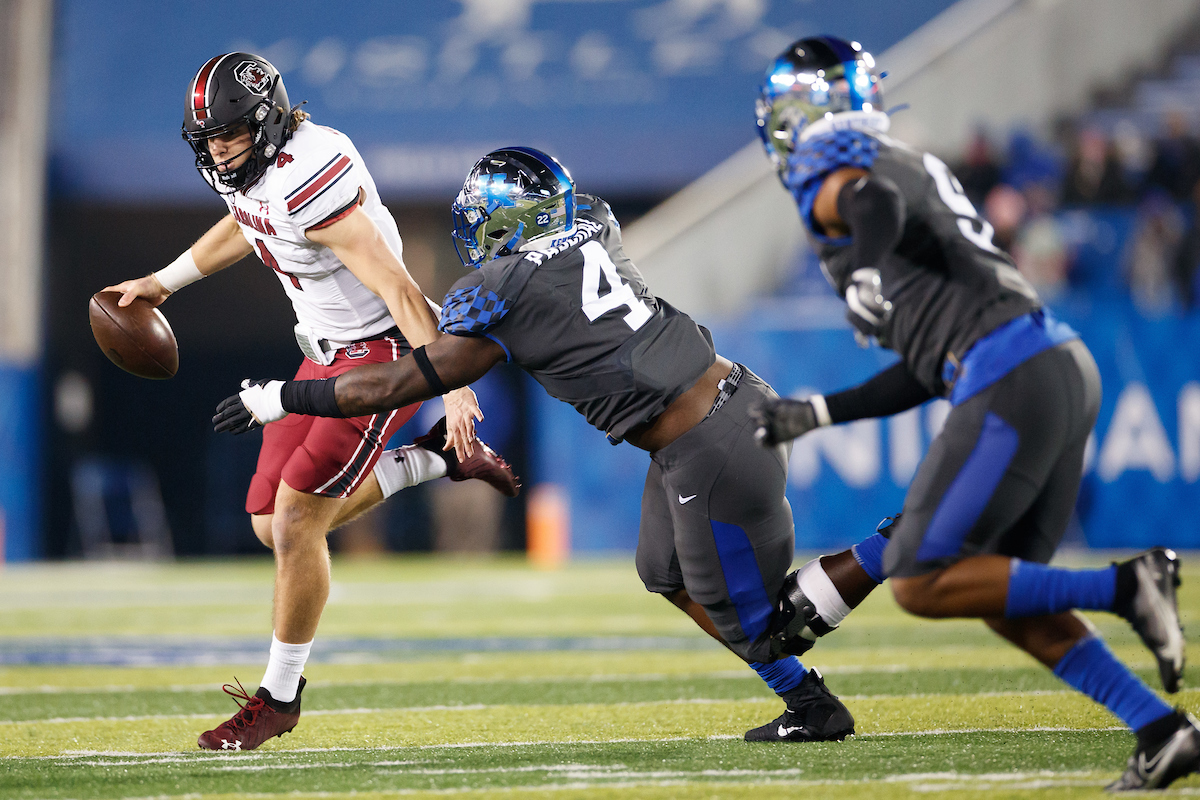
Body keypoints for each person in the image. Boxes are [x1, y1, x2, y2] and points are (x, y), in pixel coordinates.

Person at [213, 145, 880, 745]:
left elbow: (388, 384)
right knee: (665, 574)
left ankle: (904, 544)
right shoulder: (595, 220)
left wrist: (280, 398)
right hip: (718, 415)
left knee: (763, 624)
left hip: (711, 444)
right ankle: (809, 703)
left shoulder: (502, 291)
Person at [747, 36, 1194, 790]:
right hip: (1048, 364)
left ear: (804, 113)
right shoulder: (905, 164)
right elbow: (927, 364)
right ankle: (1163, 730)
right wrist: (819, 411)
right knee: (995, 589)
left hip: (1010, 369)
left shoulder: (846, 170)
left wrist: (860, 267)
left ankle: (1126, 586)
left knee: (923, 580)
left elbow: (867, 202)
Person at [104, 53, 519, 752]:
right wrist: (163, 282)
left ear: (267, 124)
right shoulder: (258, 175)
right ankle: (432, 464)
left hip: (383, 353)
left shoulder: (310, 179)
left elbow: (400, 290)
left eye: (230, 135)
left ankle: (278, 697)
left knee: (299, 523)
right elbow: (245, 221)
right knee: (273, 524)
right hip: (323, 349)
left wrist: (449, 387)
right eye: (206, 139)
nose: (217, 150)